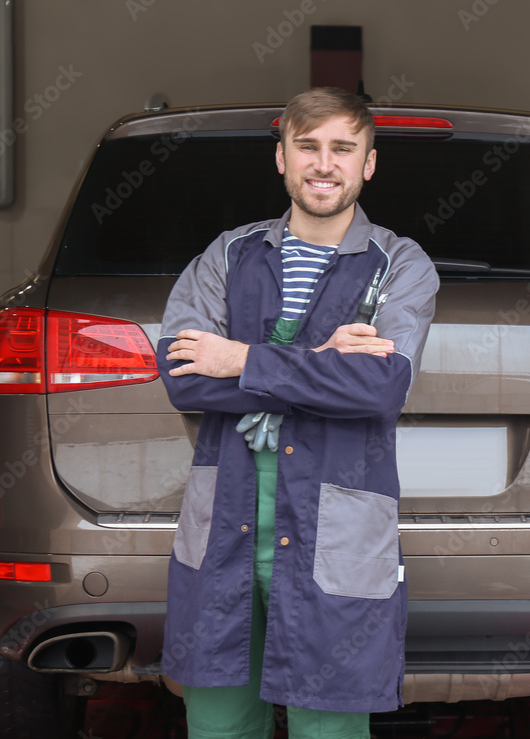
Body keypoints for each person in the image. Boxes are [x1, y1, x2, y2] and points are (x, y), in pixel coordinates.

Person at [156, 87, 439, 739]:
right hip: (225, 521)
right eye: (307, 146)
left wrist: (240, 359)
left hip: (332, 532)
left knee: (329, 728)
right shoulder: (228, 256)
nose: (323, 163)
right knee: (219, 724)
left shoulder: (401, 264)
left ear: (368, 164)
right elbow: (182, 377)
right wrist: (323, 362)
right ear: (281, 157)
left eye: (343, 148)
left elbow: (378, 388)